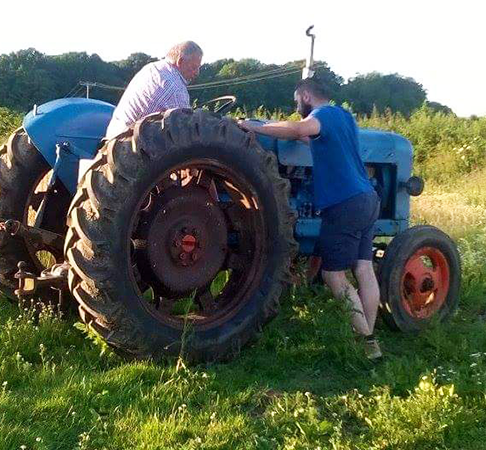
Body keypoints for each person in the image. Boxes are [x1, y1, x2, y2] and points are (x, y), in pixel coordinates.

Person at [238, 78, 383, 359]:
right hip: (368, 199)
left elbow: (297, 130)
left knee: (333, 275)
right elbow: (312, 138)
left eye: (297, 101)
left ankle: (367, 341)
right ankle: (369, 336)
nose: (297, 107)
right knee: (364, 269)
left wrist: (253, 127)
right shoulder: (344, 116)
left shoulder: (322, 115)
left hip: (345, 203)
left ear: (306, 95)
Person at [105, 41, 203, 139]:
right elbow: (185, 132)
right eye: (194, 67)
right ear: (180, 61)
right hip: (133, 148)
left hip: (112, 139)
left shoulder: (151, 68)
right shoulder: (176, 89)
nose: (197, 73)